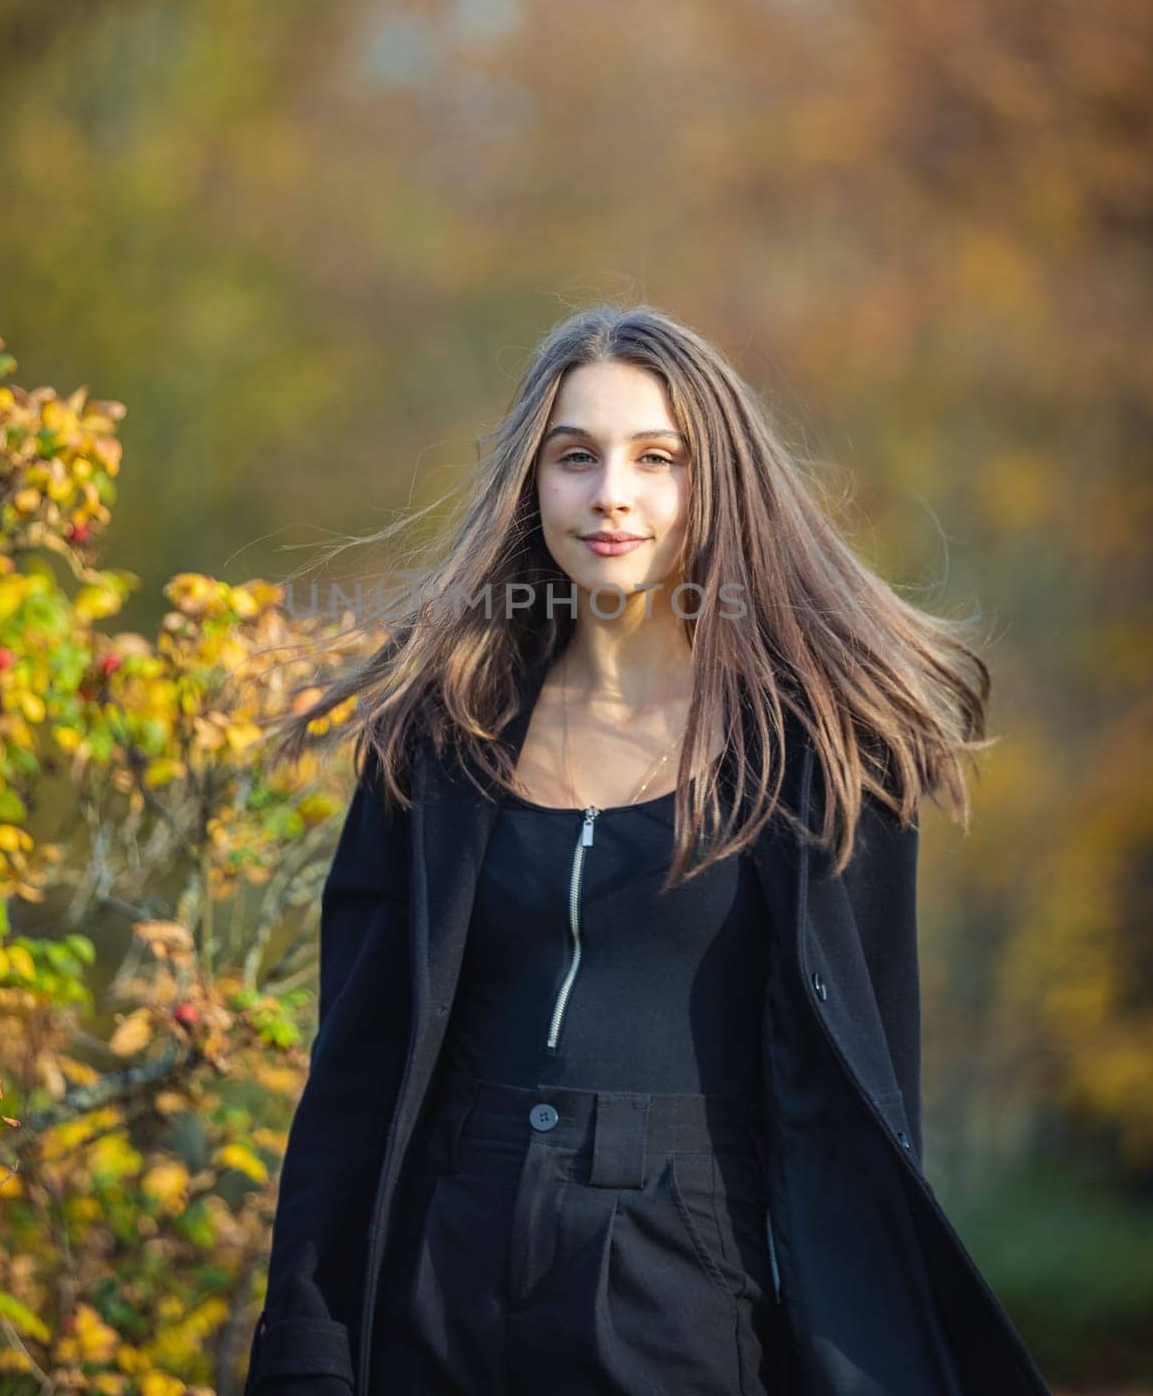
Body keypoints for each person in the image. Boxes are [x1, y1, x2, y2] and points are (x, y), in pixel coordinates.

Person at [244, 304, 1052, 1395]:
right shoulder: (439, 735)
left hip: (685, 1283)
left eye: (654, 458)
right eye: (574, 457)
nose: (609, 493)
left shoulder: (816, 756)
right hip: (439, 1269)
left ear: (711, 483)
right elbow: (351, 1077)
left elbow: (865, 1094)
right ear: (531, 484)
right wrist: (306, 1349)